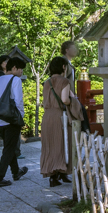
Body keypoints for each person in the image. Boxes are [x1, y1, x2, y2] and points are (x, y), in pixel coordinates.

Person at [40, 56, 84, 188]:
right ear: (64, 67)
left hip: (47, 116)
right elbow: (65, 99)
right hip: (60, 116)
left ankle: (54, 176)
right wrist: (73, 101)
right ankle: (63, 170)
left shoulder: (47, 82)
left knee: (50, 145)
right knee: (63, 143)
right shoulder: (64, 81)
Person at [0, 56, 28, 187]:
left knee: (9, 146)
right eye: (21, 69)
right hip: (12, 119)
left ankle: (16, 172)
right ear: (14, 68)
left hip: (0, 120)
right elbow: (18, 101)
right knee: (9, 149)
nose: (22, 72)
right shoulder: (15, 80)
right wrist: (20, 116)